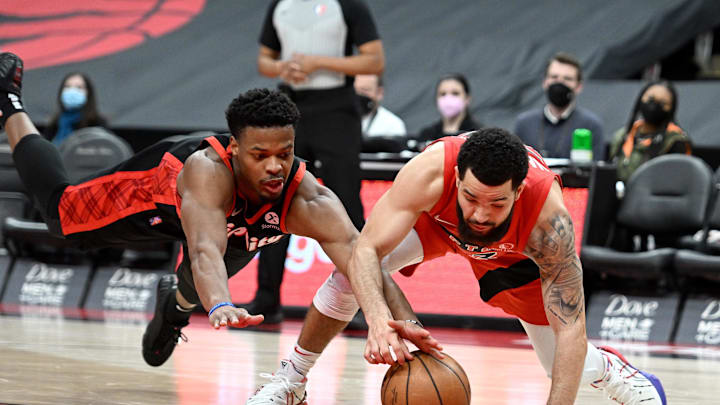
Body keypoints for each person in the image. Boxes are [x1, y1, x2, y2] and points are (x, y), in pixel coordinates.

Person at [0, 54, 366, 399]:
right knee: (61, 215)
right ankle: (9, 102)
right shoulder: (207, 170)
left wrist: (392, 322)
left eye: (283, 154)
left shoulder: (309, 195)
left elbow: (362, 260)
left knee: (194, 287)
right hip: (160, 195)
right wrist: (220, 302)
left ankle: (175, 307)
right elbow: (205, 250)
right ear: (237, 148)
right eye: (260, 155)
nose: (274, 166)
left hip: (228, 223)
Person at [252, 127, 668, 404]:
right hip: (436, 225)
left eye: (497, 202)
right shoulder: (430, 171)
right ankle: (292, 379)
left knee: (560, 360)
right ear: (456, 176)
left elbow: (572, 323)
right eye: (471, 197)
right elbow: (364, 249)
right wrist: (378, 319)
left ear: (519, 190)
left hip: (513, 253)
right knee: (349, 274)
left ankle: (612, 370)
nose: (481, 214)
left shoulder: (548, 219)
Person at [250, 0, 385, 323]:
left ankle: (362, 302)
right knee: (274, 201)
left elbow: (374, 60)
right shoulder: (280, 5)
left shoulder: (349, 5)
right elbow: (264, 60)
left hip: (335, 108)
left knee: (347, 205)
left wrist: (319, 63)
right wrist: (282, 68)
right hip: (289, 105)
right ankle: (267, 300)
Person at [514, 52, 605, 161]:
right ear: (545, 82)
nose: (559, 83)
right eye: (554, 77)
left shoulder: (591, 125)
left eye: (567, 79)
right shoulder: (524, 124)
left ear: (579, 86)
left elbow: (595, 172)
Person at [608, 80, 691, 183]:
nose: (654, 105)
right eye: (650, 99)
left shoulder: (676, 140)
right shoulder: (622, 135)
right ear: (641, 98)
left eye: (663, 103)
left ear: (671, 108)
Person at [415, 73, 482, 144]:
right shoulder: (426, 135)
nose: (448, 98)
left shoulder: (477, 135)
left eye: (455, 93)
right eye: (443, 94)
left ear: (467, 98)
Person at [43, 72, 107, 145]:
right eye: (67, 86)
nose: (72, 91)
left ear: (88, 92)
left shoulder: (97, 123)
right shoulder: (54, 123)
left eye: (79, 87)